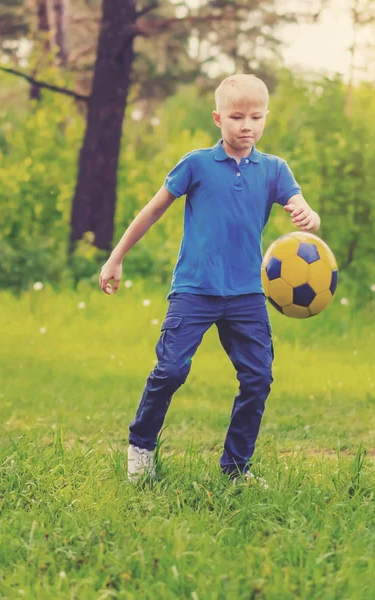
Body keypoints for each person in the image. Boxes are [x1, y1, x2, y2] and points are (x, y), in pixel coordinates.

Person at [99, 73, 320, 482]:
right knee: (170, 371)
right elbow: (153, 209)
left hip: (247, 295)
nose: (246, 126)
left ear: (265, 118)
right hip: (195, 289)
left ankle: (236, 468)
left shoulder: (274, 169)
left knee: (258, 378)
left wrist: (309, 214)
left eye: (255, 117)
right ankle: (141, 447)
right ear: (218, 119)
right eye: (237, 117)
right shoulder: (197, 163)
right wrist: (116, 257)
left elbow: (299, 202)